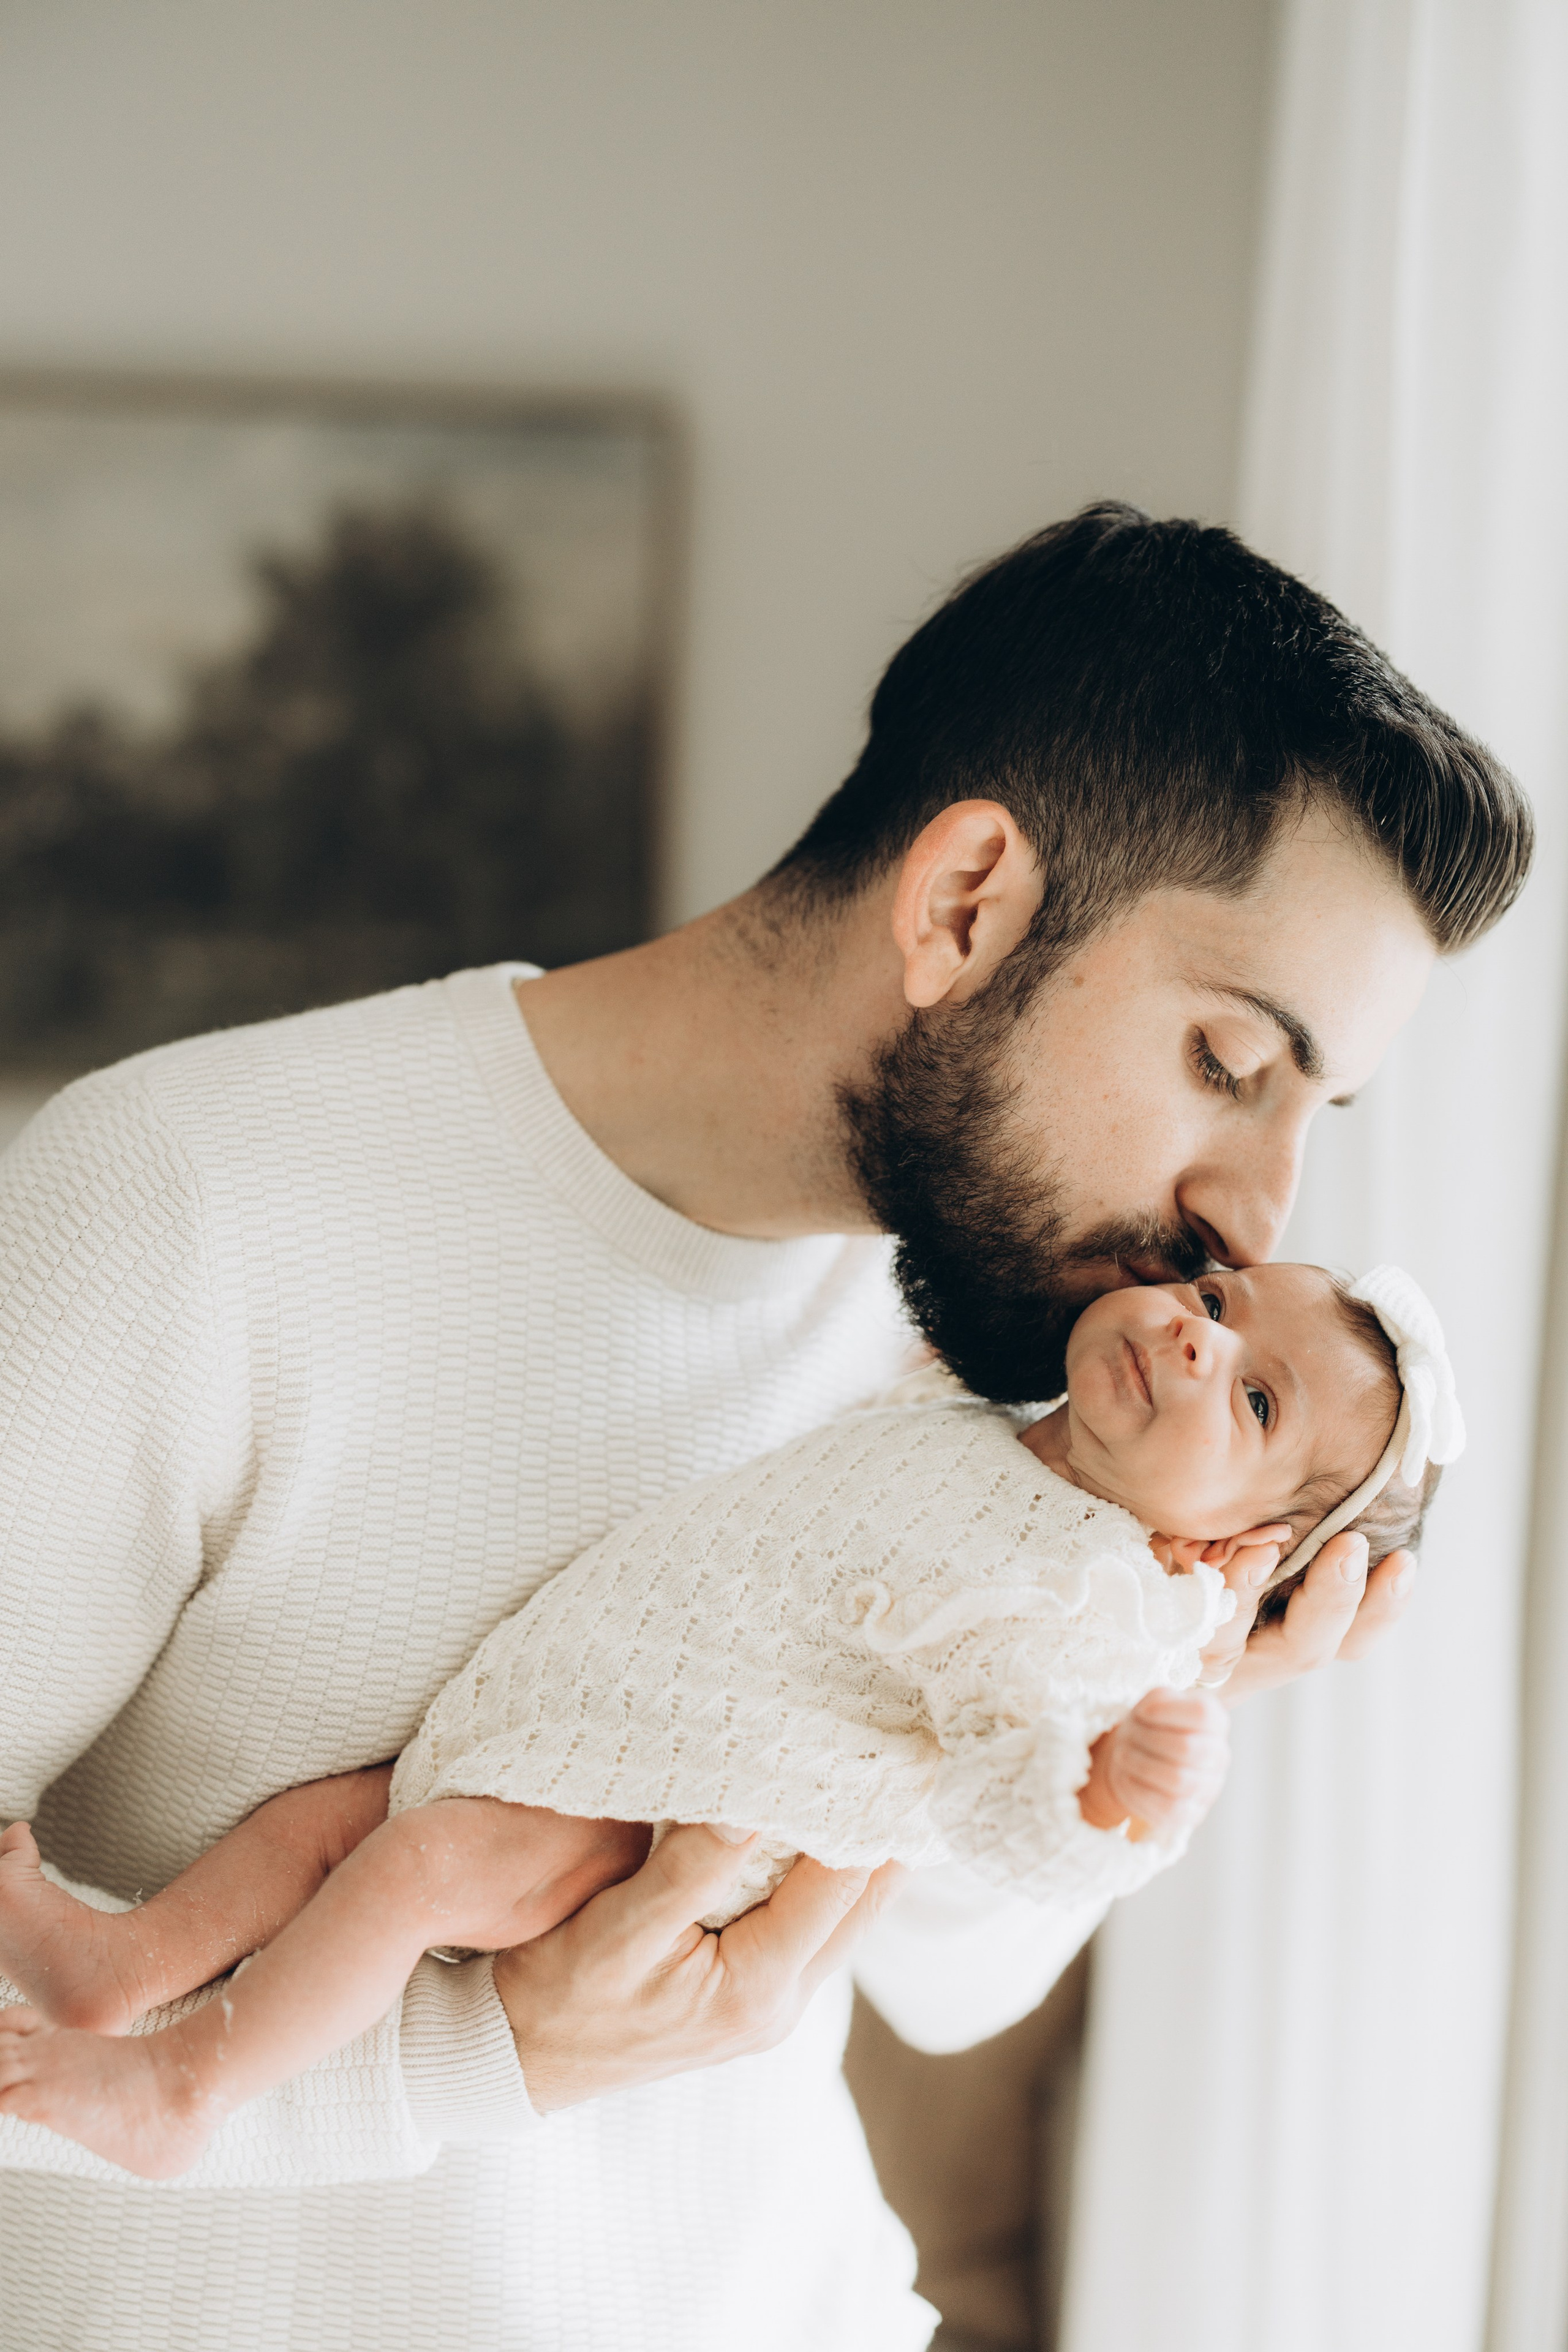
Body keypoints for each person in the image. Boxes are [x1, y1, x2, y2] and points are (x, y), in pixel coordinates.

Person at [0, 503, 1530, 2351]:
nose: (1258, 1218)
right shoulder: (192, 1204)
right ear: (967, 903)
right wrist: (472, 2061)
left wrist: (1198, 1675)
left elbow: (954, 1981)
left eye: (1317, 1114)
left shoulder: (1020, 1369)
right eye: (1230, 1063)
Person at [0, 1257, 1461, 2186]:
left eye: (1254, 1400)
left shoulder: (1082, 1607)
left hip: (675, 1809)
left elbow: (1007, 1803)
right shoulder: (979, 1418)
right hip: (582, 1717)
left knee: (415, 1871)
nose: (1196, 1341)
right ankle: (119, 1964)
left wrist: (1116, 1794)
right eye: (1215, 1300)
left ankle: (190, 2085)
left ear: (1234, 1557)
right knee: (326, 1825)